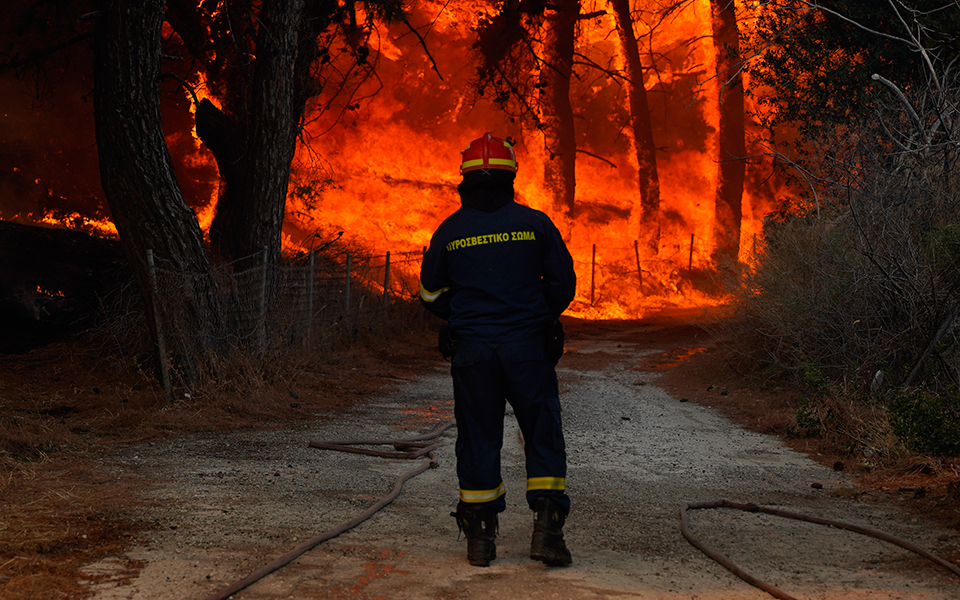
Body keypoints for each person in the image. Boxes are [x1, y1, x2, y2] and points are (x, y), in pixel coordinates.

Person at [418, 133, 577, 567]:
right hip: (528, 349)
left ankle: (481, 539)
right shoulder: (536, 224)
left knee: (478, 438)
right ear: (511, 178)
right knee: (542, 431)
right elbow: (564, 285)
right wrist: (538, 317)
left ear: (464, 181)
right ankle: (547, 531)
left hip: (473, 354)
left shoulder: (450, 231)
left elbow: (429, 294)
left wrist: (463, 317)